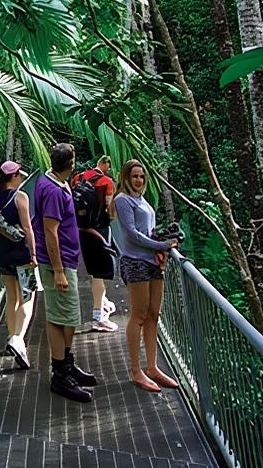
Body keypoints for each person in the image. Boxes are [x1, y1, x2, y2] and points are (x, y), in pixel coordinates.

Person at [31, 143, 96, 402]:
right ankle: (60, 374)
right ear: (70, 163)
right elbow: (49, 231)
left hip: (66, 259)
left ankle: (67, 364)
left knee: (67, 316)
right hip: (57, 263)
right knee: (62, 318)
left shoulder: (55, 182)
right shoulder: (52, 190)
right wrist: (58, 270)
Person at [114, 159, 181, 393]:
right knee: (139, 315)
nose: (139, 180)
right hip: (135, 262)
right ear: (126, 177)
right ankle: (135, 370)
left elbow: (147, 231)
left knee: (154, 313)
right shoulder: (122, 200)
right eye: (134, 176)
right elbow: (132, 235)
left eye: (142, 176)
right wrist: (160, 245)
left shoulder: (142, 200)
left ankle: (152, 367)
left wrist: (162, 244)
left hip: (152, 261)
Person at [0, 160, 39, 369]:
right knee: (28, 296)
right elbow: (28, 228)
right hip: (21, 254)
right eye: (19, 175)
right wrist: (34, 254)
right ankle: (18, 339)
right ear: (14, 176)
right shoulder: (20, 197)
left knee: (12, 297)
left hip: (2, 254)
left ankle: (12, 335)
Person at [76, 156, 118, 332]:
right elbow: (110, 210)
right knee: (100, 273)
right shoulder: (106, 182)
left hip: (81, 230)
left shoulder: (78, 177)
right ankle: (98, 316)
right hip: (99, 230)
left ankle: (103, 302)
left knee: (93, 270)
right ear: (105, 164)